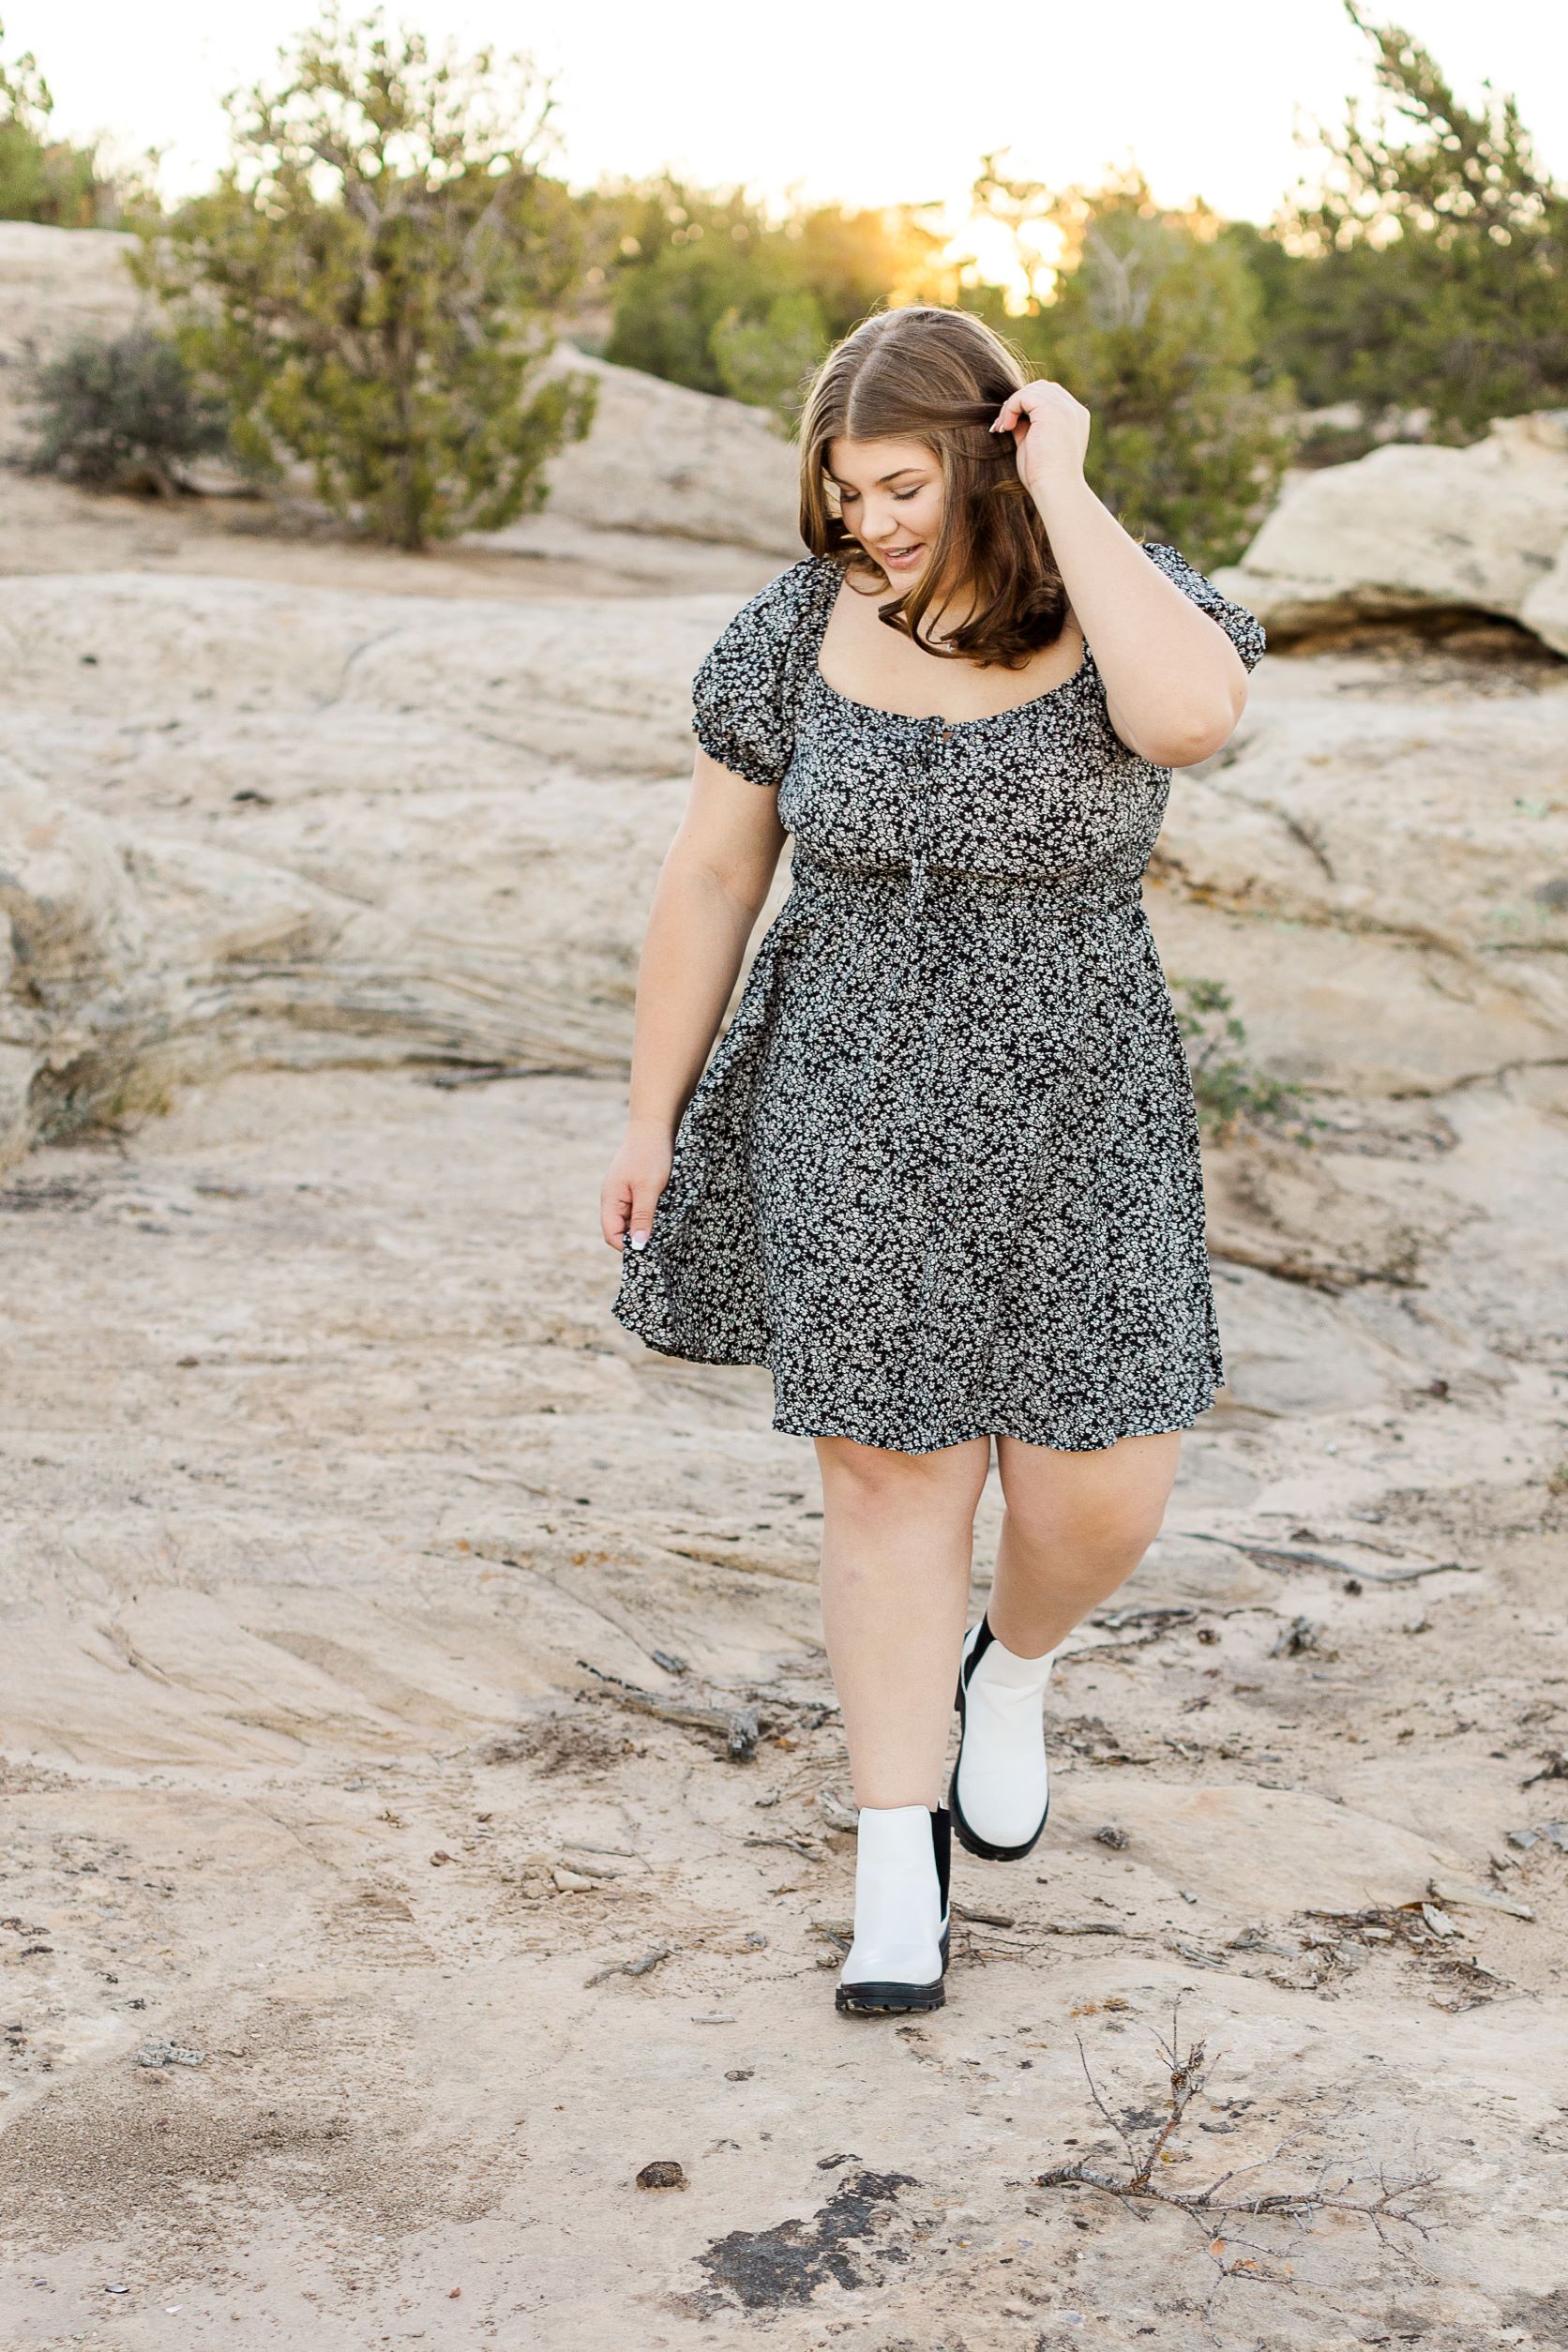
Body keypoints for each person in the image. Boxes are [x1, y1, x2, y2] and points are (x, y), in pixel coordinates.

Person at [599, 305, 1264, 2017]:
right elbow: (711, 877)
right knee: (890, 1478)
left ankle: (1012, 1669)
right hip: (848, 1083)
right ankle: (896, 1866)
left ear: (987, 455)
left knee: (1101, 1492)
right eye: (846, 495)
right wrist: (651, 1111)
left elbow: (1191, 719)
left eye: (902, 486)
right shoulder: (792, 631)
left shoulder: (1121, 594)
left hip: (1081, 1094)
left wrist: (1070, 487)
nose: (873, 524)